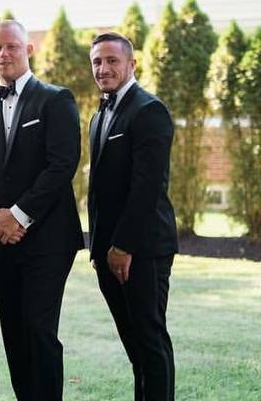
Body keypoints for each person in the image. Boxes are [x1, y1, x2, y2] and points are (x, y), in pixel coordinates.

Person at [0, 19, 83, 401]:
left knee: (38, 328)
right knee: (13, 330)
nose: (4, 54)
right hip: (0, 240)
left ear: (29, 50)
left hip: (47, 239)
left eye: (12, 46)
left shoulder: (55, 99)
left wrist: (18, 214)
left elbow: (62, 164)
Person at [88, 32, 177, 401]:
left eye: (112, 60)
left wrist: (123, 246)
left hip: (141, 249)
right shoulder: (100, 113)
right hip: (108, 251)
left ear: (131, 64)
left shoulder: (148, 110)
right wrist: (99, 248)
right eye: (97, 62)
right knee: (134, 344)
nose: (103, 68)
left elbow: (147, 189)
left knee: (149, 340)